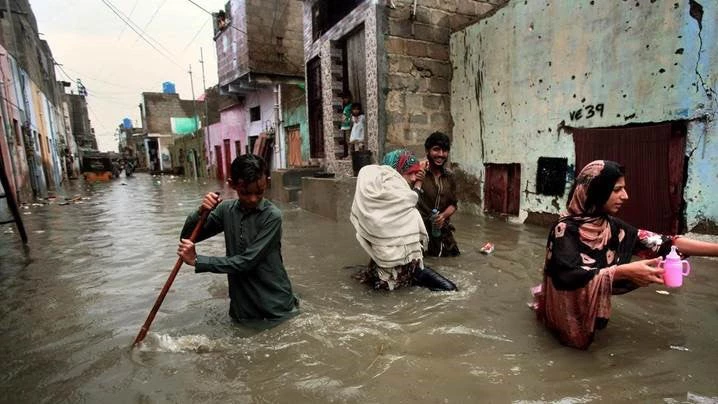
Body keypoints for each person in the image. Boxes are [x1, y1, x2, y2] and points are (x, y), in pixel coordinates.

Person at [533, 160, 718, 349]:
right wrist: (622, 272)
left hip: (586, 306)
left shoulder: (612, 227)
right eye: (617, 190)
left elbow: (665, 242)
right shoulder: (564, 230)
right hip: (562, 311)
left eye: (624, 189)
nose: (625, 196)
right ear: (596, 191)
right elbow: (566, 276)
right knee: (568, 351)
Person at [177, 154, 299, 328]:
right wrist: (201, 211)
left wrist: (198, 261)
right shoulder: (226, 210)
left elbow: (247, 261)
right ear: (232, 184)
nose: (253, 199)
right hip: (242, 309)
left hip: (275, 308)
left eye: (259, 192)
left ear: (267, 182)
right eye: (245, 193)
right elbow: (188, 238)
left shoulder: (272, 216)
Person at [350, 149, 457, 291]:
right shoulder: (395, 201)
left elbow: (411, 198)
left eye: (415, 173)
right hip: (388, 273)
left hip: (409, 268)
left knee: (450, 289)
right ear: (394, 173)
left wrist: (418, 183)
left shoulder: (393, 199)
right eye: (410, 173)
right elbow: (411, 199)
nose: (414, 178)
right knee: (450, 289)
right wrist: (418, 184)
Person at [417, 132, 460, 257]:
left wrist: (443, 216)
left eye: (445, 150)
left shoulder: (450, 176)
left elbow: (454, 204)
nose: (441, 154)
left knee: (453, 259)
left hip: (442, 230)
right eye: (436, 149)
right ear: (427, 151)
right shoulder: (419, 173)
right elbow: (408, 199)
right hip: (420, 231)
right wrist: (417, 179)